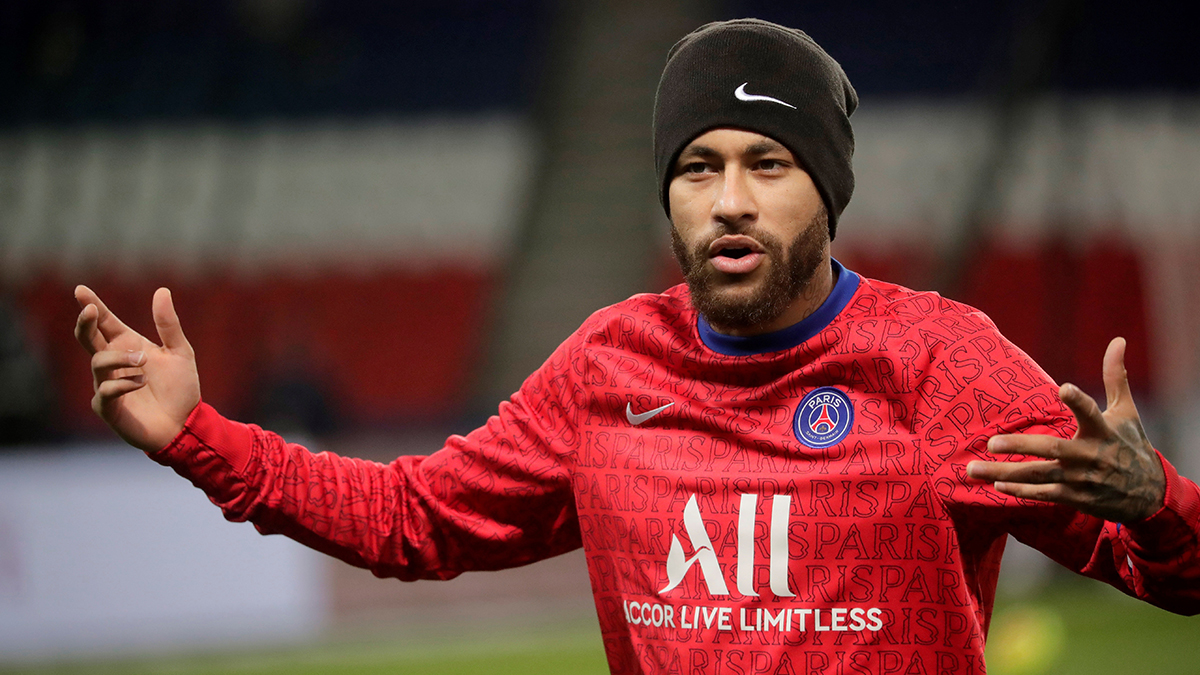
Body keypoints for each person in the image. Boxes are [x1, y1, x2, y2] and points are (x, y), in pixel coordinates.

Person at [73, 18, 1198, 675]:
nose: (729, 201)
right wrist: (194, 437)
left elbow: (1170, 581)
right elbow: (412, 520)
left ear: (829, 190)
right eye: (698, 168)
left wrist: (1155, 505)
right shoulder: (611, 366)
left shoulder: (942, 365)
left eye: (769, 163)